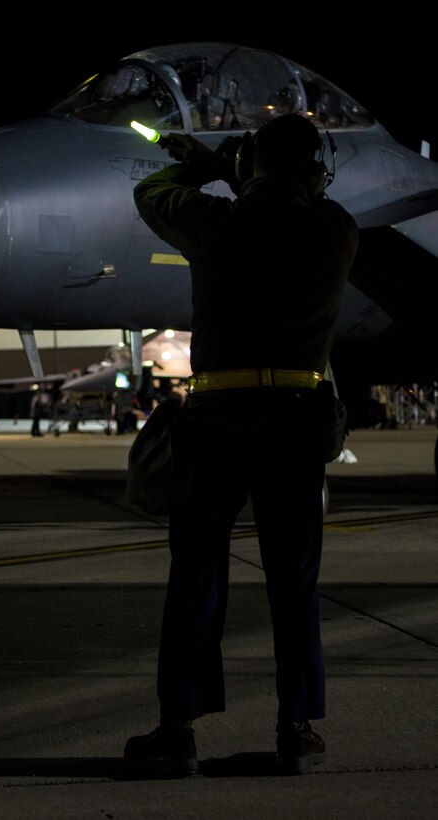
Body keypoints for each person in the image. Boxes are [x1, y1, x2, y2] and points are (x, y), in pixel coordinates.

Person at [123, 114, 359, 777]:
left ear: (254, 164)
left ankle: (177, 730)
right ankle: (295, 730)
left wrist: (207, 165)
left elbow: (150, 194)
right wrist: (244, 170)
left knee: (195, 578)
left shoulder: (213, 223)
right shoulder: (334, 230)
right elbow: (290, 199)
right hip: (295, 423)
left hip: (218, 420)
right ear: (314, 170)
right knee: (294, 583)